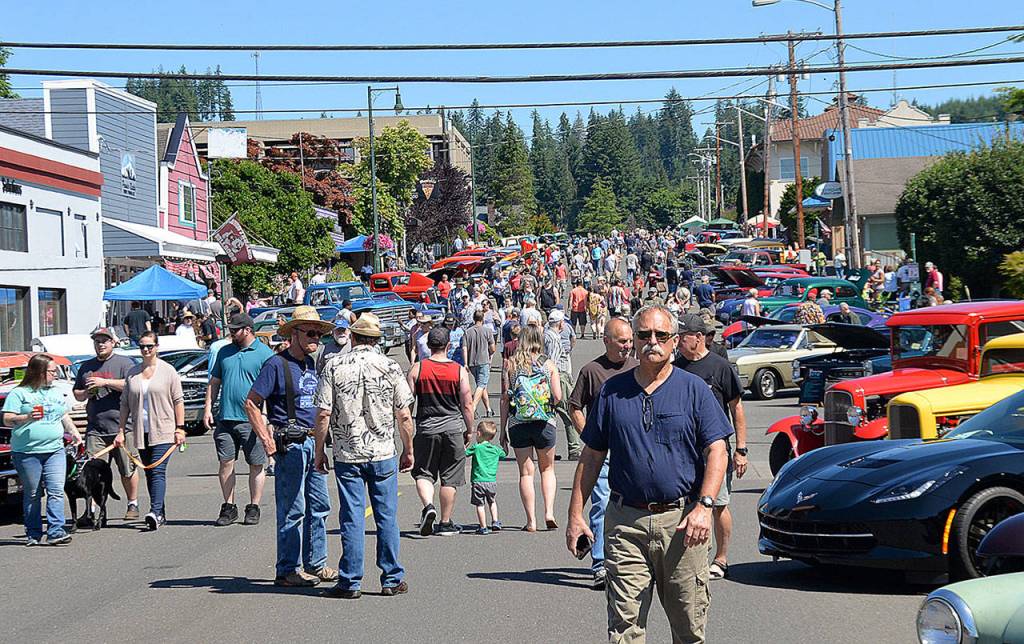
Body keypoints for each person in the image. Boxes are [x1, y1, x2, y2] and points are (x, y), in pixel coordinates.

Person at [566, 305, 732, 643]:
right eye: (644, 335)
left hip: (683, 523)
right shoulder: (613, 392)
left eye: (660, 335)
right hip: (626, 523)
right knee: (624, 628)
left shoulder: (694, 389)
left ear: (674, 341)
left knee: (689, 627)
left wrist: (704, 506)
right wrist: (575, 515)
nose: (651, 341)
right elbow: (592, 454)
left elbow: (718, 449)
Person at [315, 313, 414, 599]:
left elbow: (322, 414)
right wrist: (408, 449)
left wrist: (320, 450)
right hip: (382, 451)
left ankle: (350, 581)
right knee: (386, 517)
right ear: (377, 340)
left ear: (354, 337)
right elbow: (404, 415)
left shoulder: (334, 366)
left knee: (352, 518)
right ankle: (391, 577)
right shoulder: (390, 366)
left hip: (349, 452)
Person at [246, 308, 337, 588]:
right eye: (310, 333)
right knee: (293, 508)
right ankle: (287, 568)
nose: (316, 339)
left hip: (314, 441)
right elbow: (251, 402)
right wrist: (266, 438)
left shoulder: (311, 363)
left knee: (320, 505)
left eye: (319, 334)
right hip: (292, 444)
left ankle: (316, 563)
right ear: (294, 334)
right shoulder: (276, 364)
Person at [674, 314, 748, 582]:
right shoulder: (676, 367)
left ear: (698, 337)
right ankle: (692, 558)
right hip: (683, 448)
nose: (678, 342)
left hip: (715, 448)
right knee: (686, 503)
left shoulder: (720, 367)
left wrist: (741, 449)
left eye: (682, 337)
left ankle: (721, 557)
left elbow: (736, 408)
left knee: (717, 504)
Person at [567, 317, 637, 590]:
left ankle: (628, 560)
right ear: (606, 340)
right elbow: (574, 406)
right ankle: (599, 564)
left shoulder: (638, 367)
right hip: (604, 452)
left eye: (630, 341)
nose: (628, 346)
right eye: (622, 341)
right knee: (602, 504)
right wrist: (590, 436)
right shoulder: (592, 370)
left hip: (633, 449)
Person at [204, 312, 275, 527]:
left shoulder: (264, 353)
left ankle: (253, 506)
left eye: (235, 330)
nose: (231, 333)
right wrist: (208, 408)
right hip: (226, 416)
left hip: (252, 420)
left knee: (255, 463)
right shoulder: (224, 352)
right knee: (225, 462)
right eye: (231, 330)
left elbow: (272, 388)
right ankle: (229, 506)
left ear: (248, 330)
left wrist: (266, 416)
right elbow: (214, 382)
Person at [3, 354, 82, 545]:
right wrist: (27, 417)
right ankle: (33, 533)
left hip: (55, 450)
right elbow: (7, 418)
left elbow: (63, 416)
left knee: (55, 490)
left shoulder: (55, 392)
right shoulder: (19, 393)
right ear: (39, 371)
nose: (55, 375)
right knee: (33, 493)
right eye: (52, 371)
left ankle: (56, 531)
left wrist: (74, 432)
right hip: (27, 452)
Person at [408, 326, 475, 537]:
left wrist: (407, 429)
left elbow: (407, 403)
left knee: (423, 473)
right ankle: (445, 522)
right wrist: (470, 430)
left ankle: (429, 506)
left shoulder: (417, 369)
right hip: (453, 427)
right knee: (450, 477)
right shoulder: (458, 371)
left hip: (426, 427)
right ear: (449, 345)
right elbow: (467, 404)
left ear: (428, 346)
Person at [115, 332, 186, 531]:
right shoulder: (132, 372)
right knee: (148, 471)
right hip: (141, 430)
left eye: (150, 346)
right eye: (143, 346)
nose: (146, 350)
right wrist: (120, 430)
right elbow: (124, 405)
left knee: (158, 471)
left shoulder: (168, 371)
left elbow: (178, 401)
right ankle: (160, 512)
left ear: (157, 347)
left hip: (164, 429)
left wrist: (180, 428)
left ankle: (154, 511)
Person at [72, 327, 140, 523]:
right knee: (92, 471)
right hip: (96, 428)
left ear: (113, 343)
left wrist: (105, 382)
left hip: (122, 426)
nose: (101, 344)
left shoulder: (124, 363)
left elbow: (131, 385)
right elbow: (77, 392)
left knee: (127, 468)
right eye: (97, 341)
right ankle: (93, 510)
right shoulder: (87, 366)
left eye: (104, 341)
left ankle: (132, 503)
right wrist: (86, 393)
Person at [500, 324, 562, 533]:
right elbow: (558, 396)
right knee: (547, 469)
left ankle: (531, 521)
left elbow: (505, 399)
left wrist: (502, 432)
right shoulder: (548, 364)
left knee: (526, 474)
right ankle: (549, 512)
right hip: (544, 422)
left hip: (518, 423)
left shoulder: (510, 364)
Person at [545, 310, 579, 460]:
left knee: (548, 414)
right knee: (566, 412)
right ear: (560, 323)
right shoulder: (552, 337)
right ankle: (574, 449)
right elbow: (551, 362)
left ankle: (547, 449)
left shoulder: (547, 334)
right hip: (558, 376)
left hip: (555, 376)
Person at [465, 420, 504, 535]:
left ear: (478, 433)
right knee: (492, 502)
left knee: (480, 504)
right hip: (491, 481)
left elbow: (464, 453)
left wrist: (465, 444)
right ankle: (495, 521)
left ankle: (483, 526)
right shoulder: (495, 450)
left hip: (478, 481)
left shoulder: (476, 448)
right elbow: (504, 453)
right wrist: (504, 444)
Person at [462, 309, 495, 418]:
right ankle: (473, 407)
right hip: (483, 361)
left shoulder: (467, 332)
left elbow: (464, 348)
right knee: (481, 385)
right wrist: (489, 354)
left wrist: (466, 362)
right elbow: (493, 348)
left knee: (481, 385)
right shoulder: (487, 331)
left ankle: (488, 409)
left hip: (472, 362)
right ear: (483, 319)